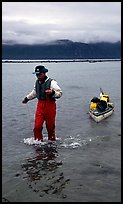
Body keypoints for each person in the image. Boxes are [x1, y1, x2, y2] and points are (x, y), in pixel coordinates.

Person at [22, 65, 62, 141]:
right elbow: (35, 93)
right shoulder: (37, 82)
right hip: (40, 106)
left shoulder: (52, 82)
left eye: (39, 74)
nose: (38, 76)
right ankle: (38, 142)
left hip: (50, 106)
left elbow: (59, 93)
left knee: (50, 127)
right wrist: (27, 98)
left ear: (44, 73)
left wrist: (52, 92)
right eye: (37, 74)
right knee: (37, 127)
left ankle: (52, 142)